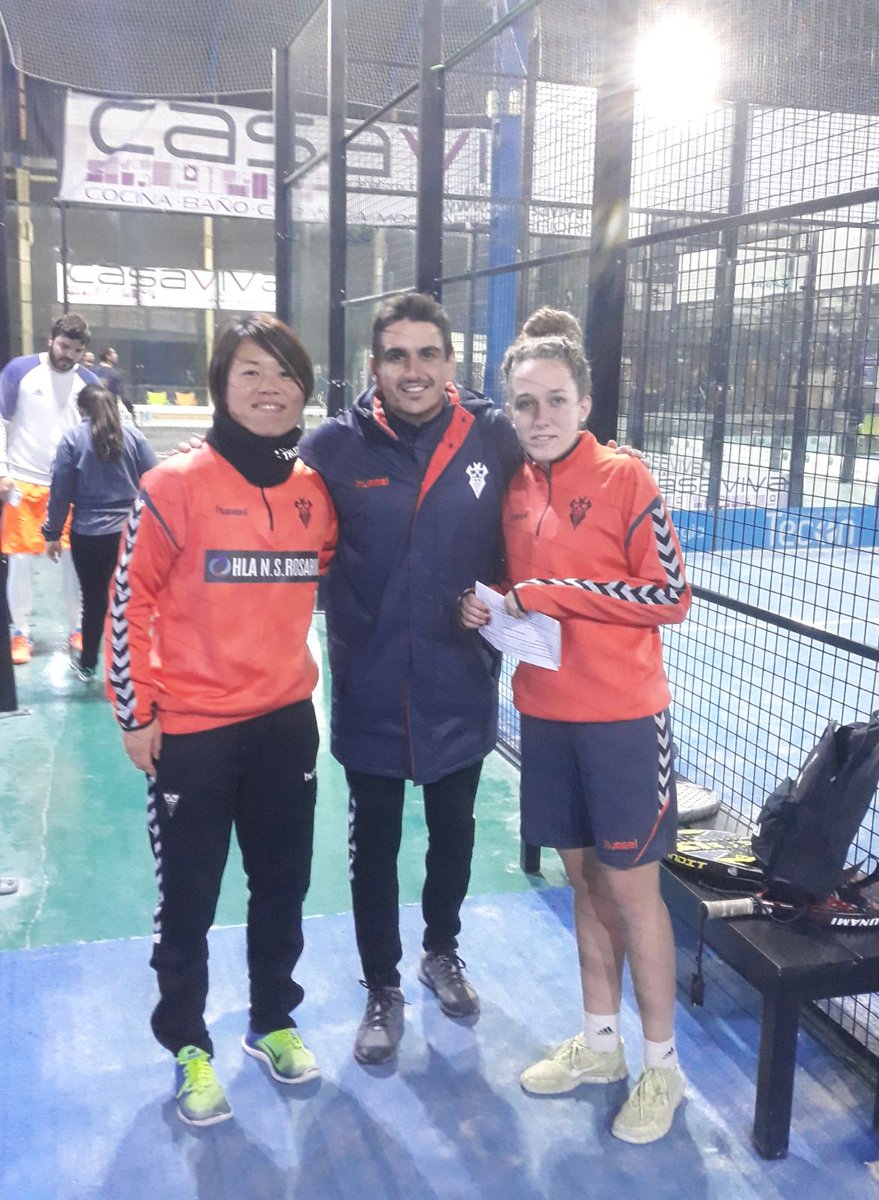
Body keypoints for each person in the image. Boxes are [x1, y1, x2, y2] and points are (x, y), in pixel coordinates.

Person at [460, 309, 692, 1145]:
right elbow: (513, 596)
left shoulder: (627, 478)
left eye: (555, 399)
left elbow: (668, 594)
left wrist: (549, 593)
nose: (541, 416)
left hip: (624, 723)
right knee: (586, 887)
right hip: (546, 721)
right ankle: (602, 1044)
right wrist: (485, 607)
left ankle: (663, 1066)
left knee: (635, 896)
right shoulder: (514, 489)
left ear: (584, 403)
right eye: (524, 404)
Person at [106, 314, 337, 1128]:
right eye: (249, 372)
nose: (268, 387)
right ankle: (188, 1045)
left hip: (284, 725)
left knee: (283, 885)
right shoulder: (174, 485)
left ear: (303, 386)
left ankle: (271, 1020)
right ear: (222, 386)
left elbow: (333, 571)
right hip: (194, 732)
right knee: (190, 900)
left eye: (282, 372)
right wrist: (136, 713)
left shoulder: (313, 492)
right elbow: (128, 599)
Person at [299, 291, 523, 1065]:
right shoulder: (332, 448)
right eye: (397, 355)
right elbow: (272, 510)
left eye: (429, 353)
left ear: (451, 363)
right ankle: (380, 987)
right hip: (369, 685)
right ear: (374, 365)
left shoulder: (492, 436)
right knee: (375, 847)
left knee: (454, 834)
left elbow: (543, 508)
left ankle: (441, 950)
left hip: (460, 680)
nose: (414, 369)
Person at [0, 313, 99, 665]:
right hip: (23, 483)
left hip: (70, 489)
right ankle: (20, 634)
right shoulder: (19, 371)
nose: (67, 354)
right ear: (50, 340)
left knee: (75, 564)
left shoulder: (89, 382)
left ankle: (77, 628)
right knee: (21, 562)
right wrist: (1, 470)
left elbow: (97, 434)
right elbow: (1, 420)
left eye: (75, 349)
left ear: (83, 351)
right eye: (63, 346)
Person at [42, 384, 157, 681]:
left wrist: (52, 533)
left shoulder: (71, 439)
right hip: (132, 533)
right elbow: (158, 481)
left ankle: (89, 664)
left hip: (88, 535)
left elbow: (59, 492)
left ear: (80, 409)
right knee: (131, 600)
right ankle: (133, 666)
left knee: (94, 601)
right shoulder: (134, 437)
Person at [93, 346, 134, 416]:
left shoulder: (92, 371)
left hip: (93, 409)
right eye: (114, 353)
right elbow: (123, 395)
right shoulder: (115, 374)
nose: (116, 355)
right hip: (109, 411)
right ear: (108, 357)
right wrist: (131, 409)